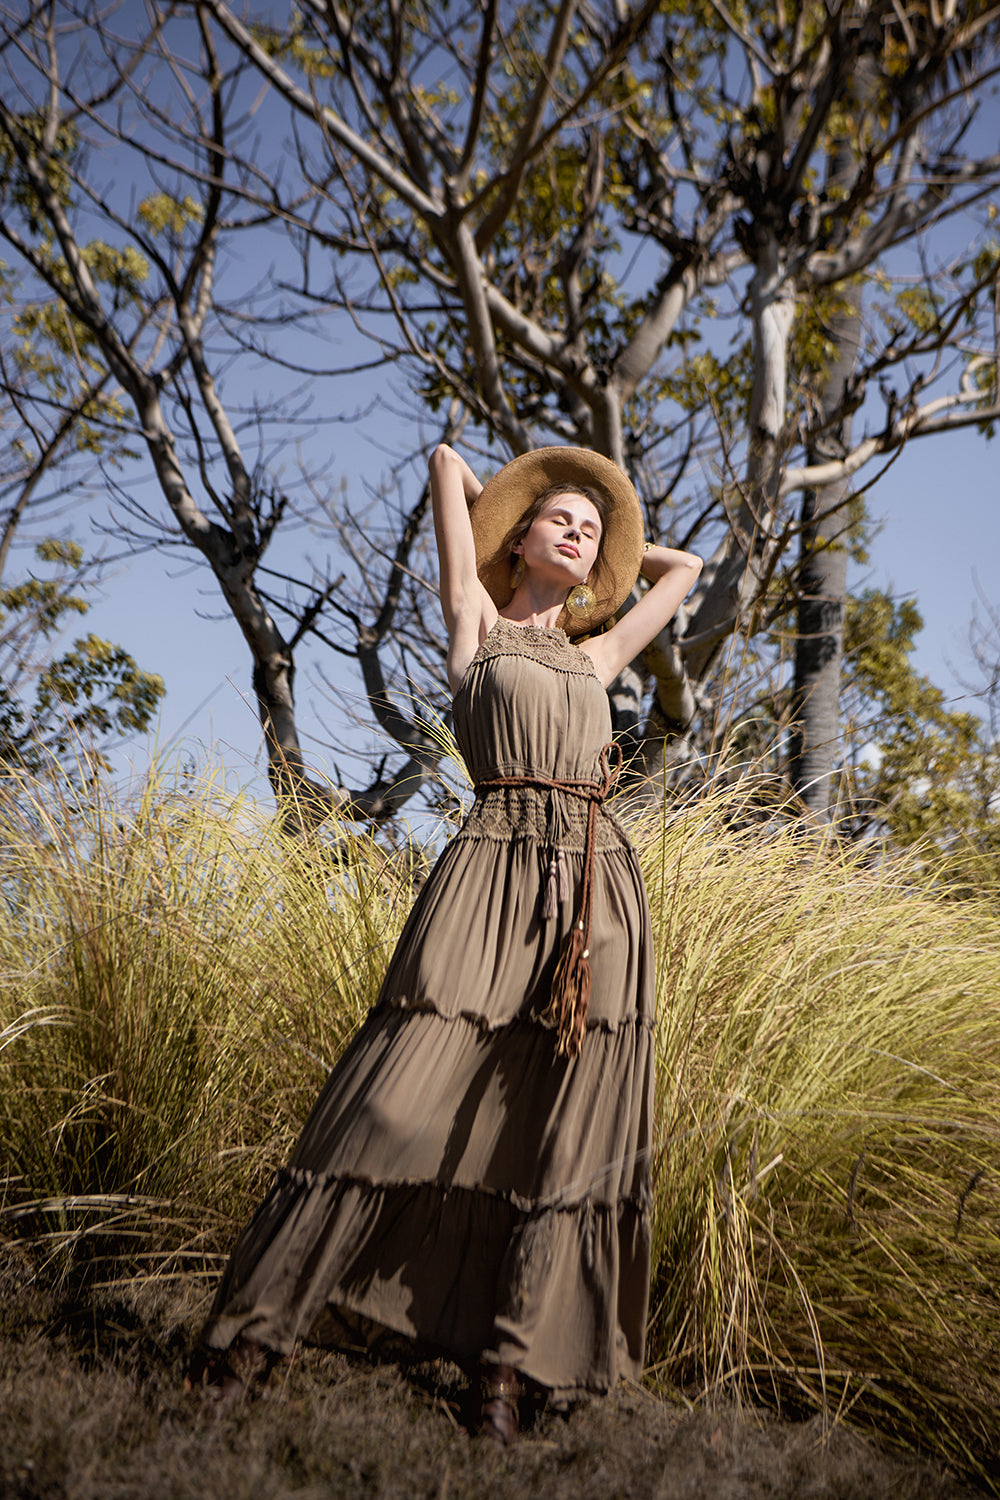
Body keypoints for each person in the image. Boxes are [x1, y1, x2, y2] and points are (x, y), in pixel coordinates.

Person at [187, 444, 703, 1444]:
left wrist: (612, 548)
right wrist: (512, 502)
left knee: (560, 1135)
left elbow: (679, 574)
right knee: (387, 1101)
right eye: (558, 520)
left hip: (595, 890)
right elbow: (444, 458)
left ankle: (503, 1374)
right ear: (512, 539)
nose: (580, 533)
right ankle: (250, 1340)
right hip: (487, 869)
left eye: (591, 531)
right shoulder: (472, 618)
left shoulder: (598, 655)